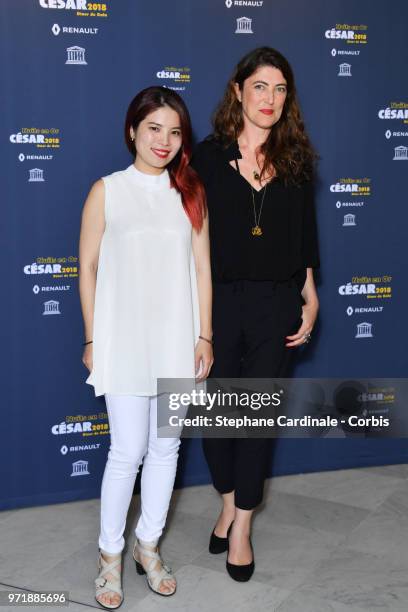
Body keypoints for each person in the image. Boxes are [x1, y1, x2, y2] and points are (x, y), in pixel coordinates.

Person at [79, 86, 213, 608]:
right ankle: (109, 557)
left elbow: (202, 269)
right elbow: (87, 269)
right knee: (127, 451)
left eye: (174, 131)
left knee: (166, 450)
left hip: (178, 341)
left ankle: (147, 547)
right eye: (154, 128)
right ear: (133, 129)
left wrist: (205, 335)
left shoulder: (190, 194)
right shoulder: (107, 190)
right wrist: (92, 338)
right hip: (125, 341)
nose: (164, 140)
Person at [191, 47, 320, 582]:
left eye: (281, 89)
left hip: (275, 303)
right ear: (238, 90)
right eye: (261, 86)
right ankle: (227, 500)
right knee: (217, 418)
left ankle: (241, 523)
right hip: (217, 301)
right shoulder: (204, 157)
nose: (270, 99)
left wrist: (311, 295)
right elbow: (187, 239)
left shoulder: (295, 160)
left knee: (257, 419)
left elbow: (303, 238)